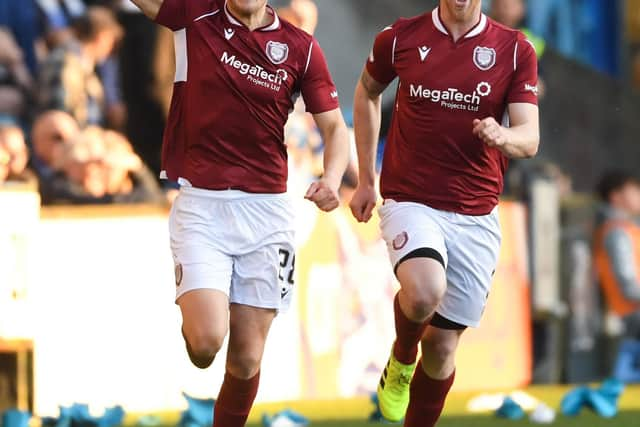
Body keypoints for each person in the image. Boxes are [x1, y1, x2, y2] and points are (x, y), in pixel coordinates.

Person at [130, 1, 349, 426]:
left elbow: (335, 128)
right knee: (206, 342)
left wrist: (333, 178)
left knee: (247, 358)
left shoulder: (299, 47)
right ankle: (197, 327)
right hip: (202, 206)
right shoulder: (193, 16)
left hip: (267, 213)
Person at [349, 0, 540, 425]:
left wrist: (502, 135)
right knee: (422, 291)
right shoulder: (399, 37)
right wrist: (365, 178)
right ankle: (400, 362)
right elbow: (366, 92)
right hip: (411, 199)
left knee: (441, 348)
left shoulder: (514, 50)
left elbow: (530, 139)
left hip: (476, 214)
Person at [38, 6, 123, 127]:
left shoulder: (82, 65)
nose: (110, 50)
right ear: (102, 38)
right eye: (110, 42)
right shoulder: (64, 63)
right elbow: (59, 117)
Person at [594, 171, 640, 338]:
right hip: (632, 314)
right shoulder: (617, 233)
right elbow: (628, 286)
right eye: (633, 191)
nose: (638, 195)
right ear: (615, 196)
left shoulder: (626, 228)